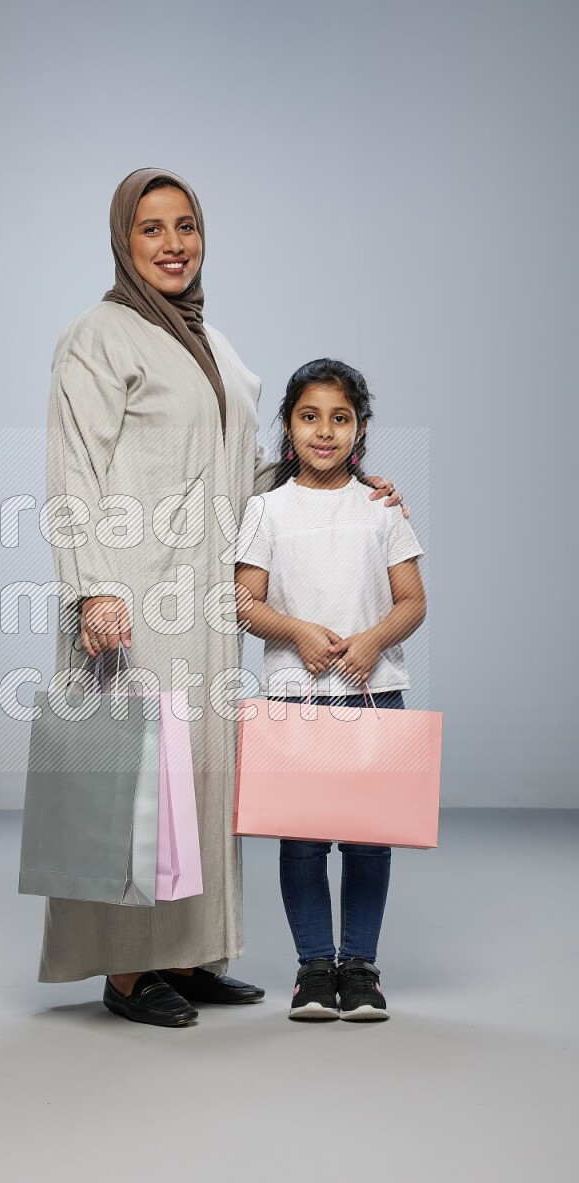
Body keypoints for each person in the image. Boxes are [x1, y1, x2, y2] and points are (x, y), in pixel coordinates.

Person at [40, 169, 407, 1028]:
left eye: (188, 226)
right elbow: (72, 474)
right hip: (130, 593)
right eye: (152, 229)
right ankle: (126, 969)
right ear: (123, 243)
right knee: (133, 780)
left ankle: (185, 953)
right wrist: (92, 588)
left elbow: (246, 473)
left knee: (201, 778)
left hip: (204, 595)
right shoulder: (99, 336)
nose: (174, 244)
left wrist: (336, 475)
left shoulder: (214, 344)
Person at [234, 359, 426, 1021]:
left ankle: (362, 968)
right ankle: (314, 969)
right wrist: (297, 631)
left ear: (360, 428)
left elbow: (412, 600)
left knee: (371, 839)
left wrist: (372, 640)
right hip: (295, 694)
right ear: (288, 426)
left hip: (376, 692)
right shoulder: (267, 510)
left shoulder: (379, 507)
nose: (325, 431)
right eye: (309, 416)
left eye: (340, 418)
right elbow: (243, 600)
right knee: (304, 839)